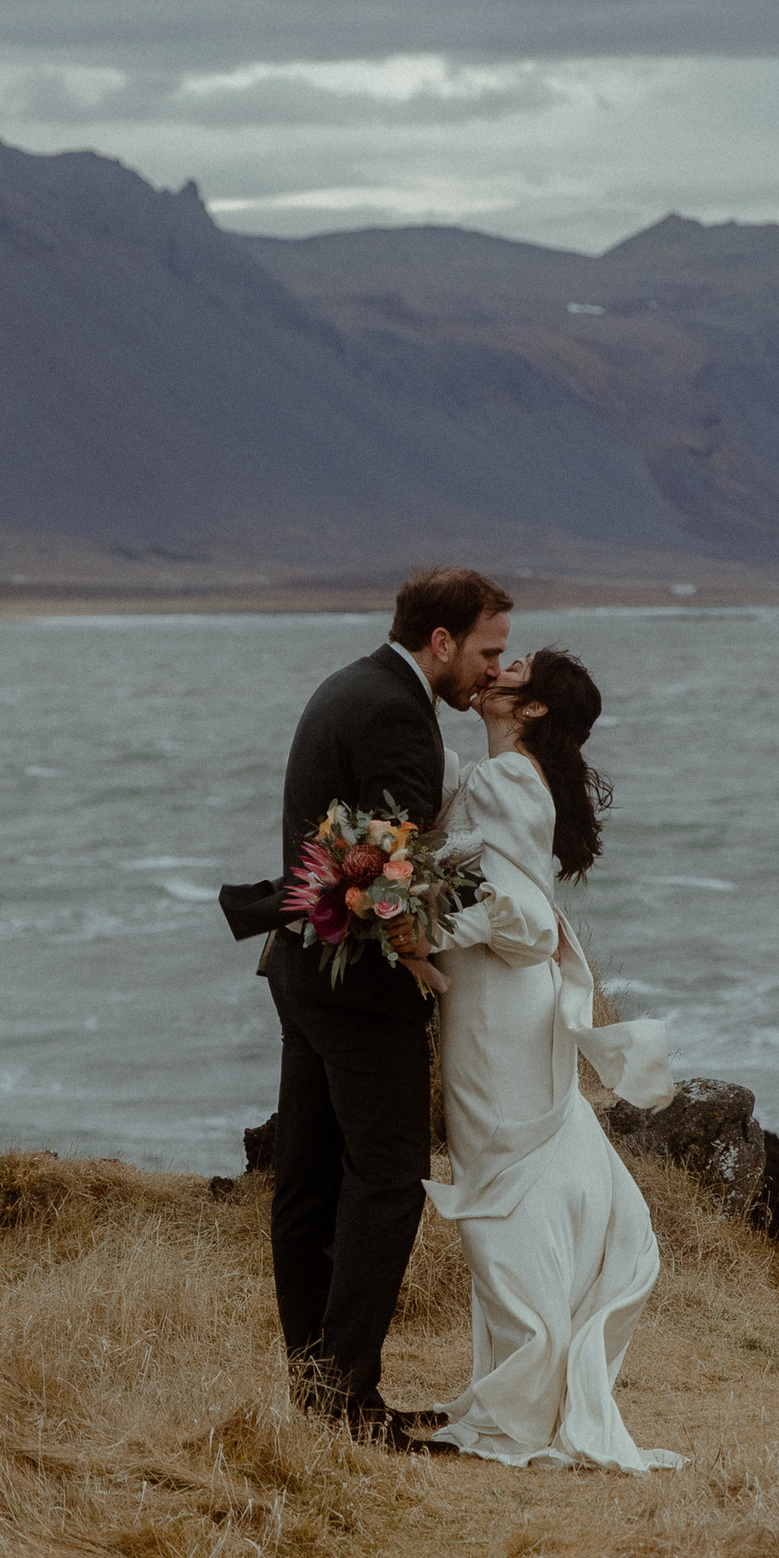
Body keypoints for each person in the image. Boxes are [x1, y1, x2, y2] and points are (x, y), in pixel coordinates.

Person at [222, 568, 514, 1442]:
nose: (492, 671)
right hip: (357, 990)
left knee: (308, 1185)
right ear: (440, 641)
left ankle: (317, 1394)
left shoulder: (351, 684)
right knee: (387, 1180)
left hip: (302, 973)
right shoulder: (394, 712)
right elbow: (396, 871)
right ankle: (348, 1400)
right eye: (487, 652)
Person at [421, 649, 682, 1470]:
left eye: (517, 667)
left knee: (501, 1182)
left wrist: (418, 928)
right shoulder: (507, 776)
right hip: (504, 1000)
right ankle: (525, 1378)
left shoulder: (508, 779)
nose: (498, 668)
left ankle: (526, 1391)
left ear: (532, 708)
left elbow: (523, 918)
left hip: (497, 1006)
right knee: (513, 1175)